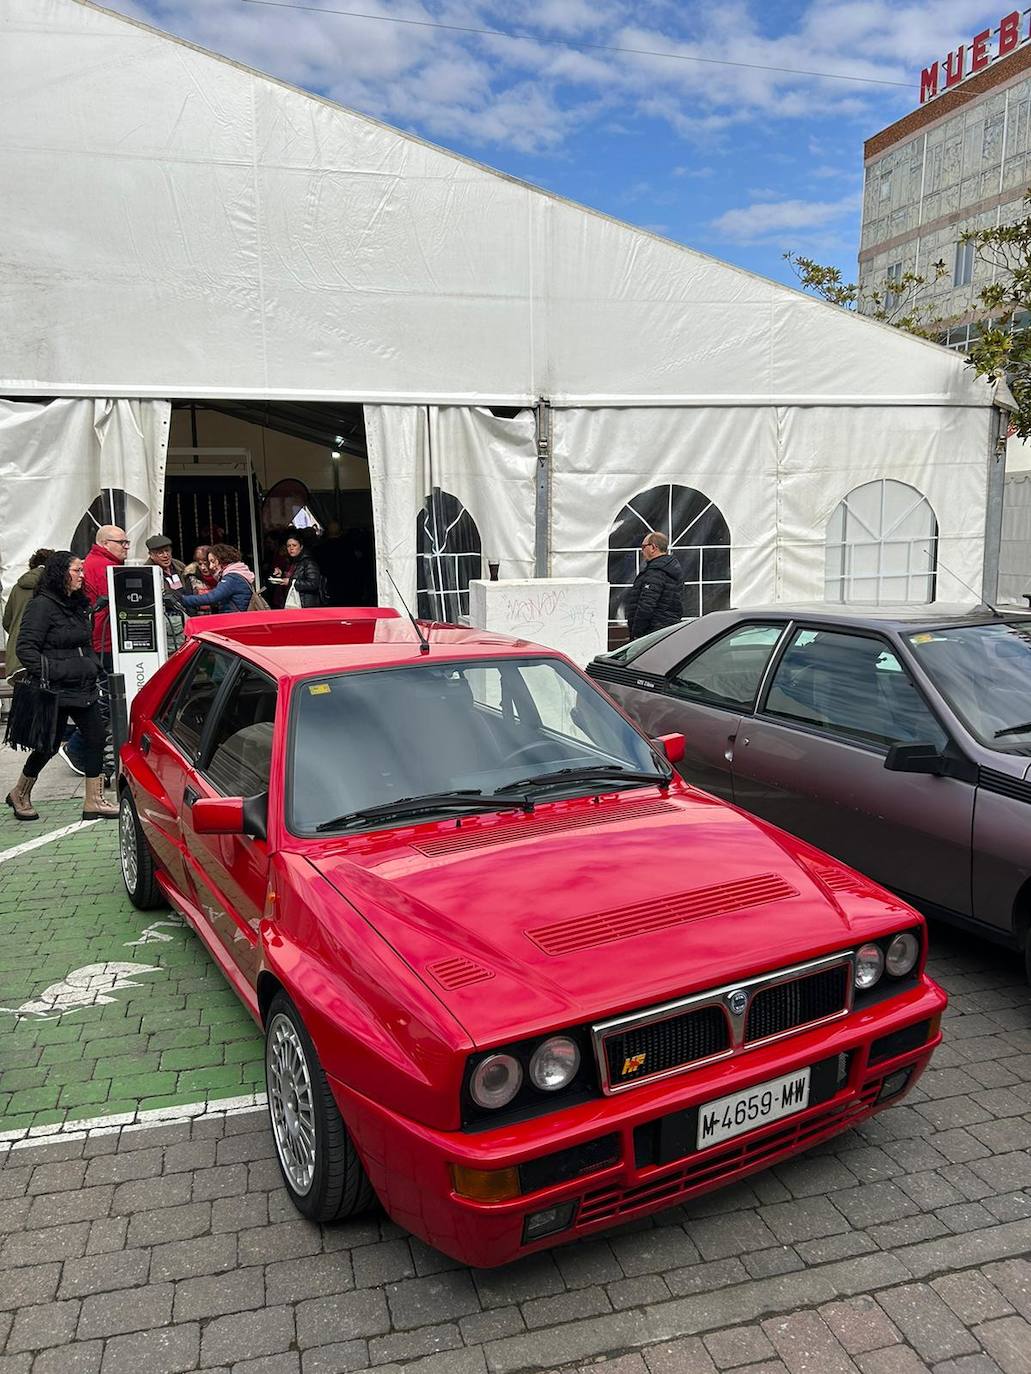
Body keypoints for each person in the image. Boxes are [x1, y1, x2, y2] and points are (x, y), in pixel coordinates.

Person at [4, 551, 117, 822]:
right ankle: (20, 793)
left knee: (96, 737)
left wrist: (91, 665)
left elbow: (84, 643)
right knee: (48, 745)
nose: (82, 575)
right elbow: (25, 649)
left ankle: (94, 800)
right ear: (61, 573)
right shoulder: (41, 605)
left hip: (83, 685)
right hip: (55, 689)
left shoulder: (76, 604)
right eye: (77, 570)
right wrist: (56, 671)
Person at [59, 525, 129, 776]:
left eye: (127, 542)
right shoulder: (102, 567)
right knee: (109, 700)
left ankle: (90, 747)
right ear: (105, 543)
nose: (126, 547)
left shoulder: (99, 564)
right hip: (106, 643)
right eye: (121, 542)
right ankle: (77, 747)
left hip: (103, 642)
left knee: (107, 698)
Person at [2, 549, 54, 679]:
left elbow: (7, 621)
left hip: (17, 657)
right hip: (45, 657)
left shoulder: (17, 587)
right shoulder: (54, 585)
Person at [623, 531, 684, 641]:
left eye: (643, 547)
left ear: (653, 548)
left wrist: (637, 633)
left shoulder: (656, 572)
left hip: (652, 633)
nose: (642, 551)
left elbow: (646, 604)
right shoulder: (670, 568)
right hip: (667, 630)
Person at [180, 543, 256, 614]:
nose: (211, 566)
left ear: (222, 559)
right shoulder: (238, 573)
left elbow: (213, 597)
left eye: (213, 561)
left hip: (234, 618)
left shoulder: (232, 577)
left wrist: (183, 600)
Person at [146, 534, 188, 651]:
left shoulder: (179, 566)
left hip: (186, 614)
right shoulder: (148, 572)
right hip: (169, 620)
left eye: (167, 551)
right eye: (160, 553)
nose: (165, 555)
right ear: (151, 555)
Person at [270, 531, 324, 608]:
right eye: (288, 546)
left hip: (306, 604)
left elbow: (314, 583)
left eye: (294, 545)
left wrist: (291, 582)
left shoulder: (308, 562)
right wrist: (281, 574)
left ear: (301, 547)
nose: (291, 548)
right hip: (295, 603)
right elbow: (293, 577)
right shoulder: (292, 561)